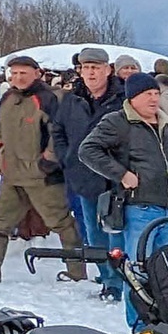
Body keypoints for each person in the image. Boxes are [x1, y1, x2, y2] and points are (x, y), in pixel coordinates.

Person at [77, 74, 168, 327]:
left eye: (156, 93)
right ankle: (139, 325)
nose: (153, 98)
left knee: (164, 271)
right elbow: (88, 150)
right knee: (138, 270)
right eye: (147, 94)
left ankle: (162, 322)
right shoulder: (118, 121)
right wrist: (122, 174)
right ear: (133, 97)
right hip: (140, 207)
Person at [0, 54, 83, 283]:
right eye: (14, 73)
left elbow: (58, 133)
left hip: (41, 178)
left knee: (63, 224)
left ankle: (76, 273)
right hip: (12, 176)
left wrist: (48, 162)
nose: (18, 77)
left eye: (24, 73)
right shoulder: (7, 98)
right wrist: (0, 158)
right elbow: (0, 132)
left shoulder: (49, 99)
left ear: (37, 73)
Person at [51, 47, 127, 294]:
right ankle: (105, 276)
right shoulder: (71, 100)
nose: (91, 72)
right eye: (86, 67)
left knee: (115, 232)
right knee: (93, 234)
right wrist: (67, 158)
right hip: (83, 175)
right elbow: (58, 131)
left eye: (96, 67)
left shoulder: (122, 99)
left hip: (114, 177)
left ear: (108, 69)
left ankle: (118, 282)